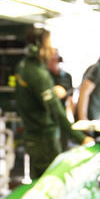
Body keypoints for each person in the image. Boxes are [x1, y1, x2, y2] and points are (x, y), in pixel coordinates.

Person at [14, 27, 87, 179]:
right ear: (37, 48)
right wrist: (81, 138)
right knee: (50, 184)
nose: (52, 51)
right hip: (44, 141)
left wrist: (50, 91)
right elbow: (57, 112)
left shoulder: (23, 66)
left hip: (34, 137)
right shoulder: (38, 73)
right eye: (49, 46)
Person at [46, 46, 75, 149]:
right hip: (48, 119)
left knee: (63, 145)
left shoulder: (66, 77)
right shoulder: (45, 76)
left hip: (62, 116)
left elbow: (70, 99)